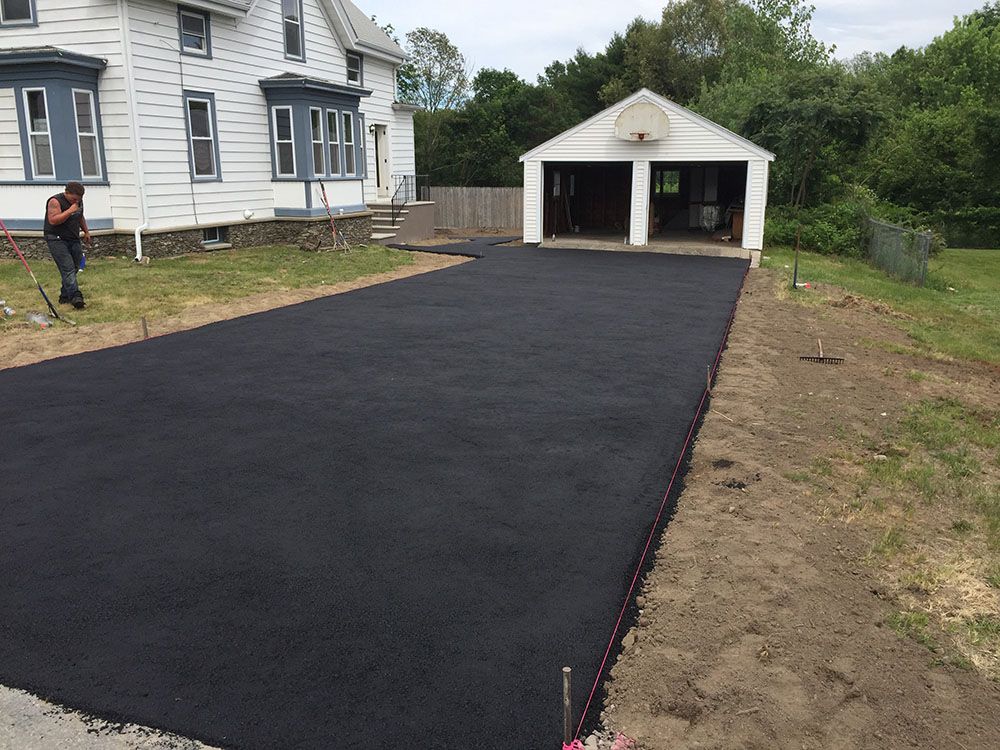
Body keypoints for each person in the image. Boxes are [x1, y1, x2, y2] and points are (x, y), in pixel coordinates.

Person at [43, 181, 91, 309]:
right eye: (74, 198)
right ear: (67, 193)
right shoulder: (55, 201)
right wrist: (70, 210)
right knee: (67, 268)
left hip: (73, 237)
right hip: (56, 239)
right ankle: (76, 297)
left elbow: (80, 216)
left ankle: (64, 296)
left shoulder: (77, 203)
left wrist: (86, 231)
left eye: (79, 199)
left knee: (76, 266)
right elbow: (53, 220)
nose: (76, 201)